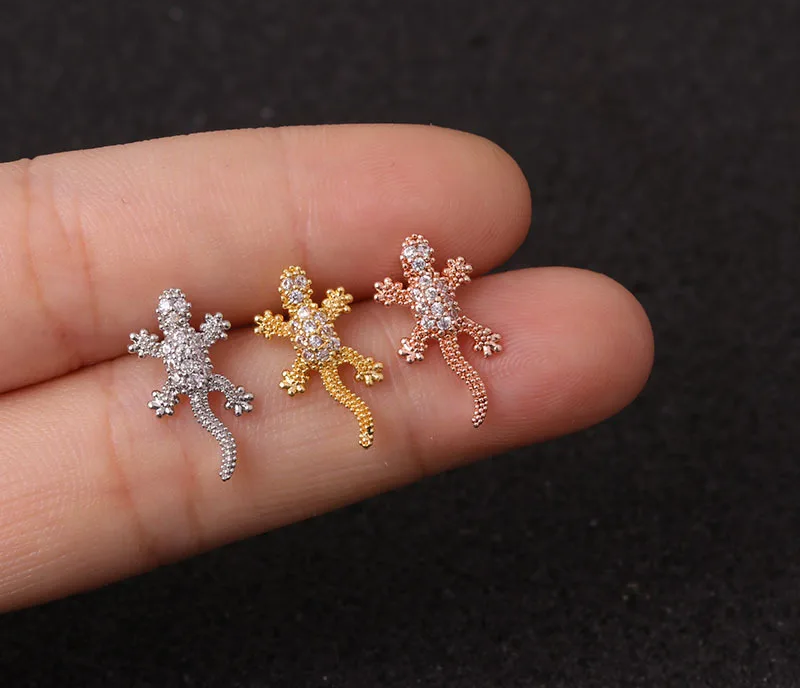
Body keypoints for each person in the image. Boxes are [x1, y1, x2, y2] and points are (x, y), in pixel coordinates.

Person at [0, 124, 654, 612]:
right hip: (262, 365)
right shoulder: (246, 325)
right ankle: (286, 427)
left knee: (417, 352)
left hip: (360, 343)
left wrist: (395, 298)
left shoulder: (343, 300)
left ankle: (428, 398)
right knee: (232, 393)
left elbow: (364, 301)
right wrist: (216, 340)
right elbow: (214, 336)